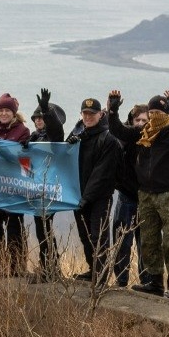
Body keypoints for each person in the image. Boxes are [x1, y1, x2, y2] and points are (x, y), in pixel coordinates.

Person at [106, 87, 169, 300]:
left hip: (168, 194)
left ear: (166, 114)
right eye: (152, 112)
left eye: (160, 112)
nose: (155, 116)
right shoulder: (144, 132)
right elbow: (119, 131)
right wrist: (113, 111)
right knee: (149, 239)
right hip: (145, 194)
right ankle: (154, 282)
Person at [68, 98, 122, 285]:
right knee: (85, 236)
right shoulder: (78, 136)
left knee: (98, 237)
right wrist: (70, 143)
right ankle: (93, 270)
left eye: (92, 114)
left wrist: (86, 198)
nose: (88, 117)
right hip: (79, 196)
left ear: (101, 114)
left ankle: (101, 276)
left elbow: (102, 174)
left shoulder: (109, 140)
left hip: (99, 197)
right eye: (85, 113)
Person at [0, 93, 32, 276]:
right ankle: (0, 262)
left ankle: (16, 266)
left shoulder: (23, 131)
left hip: (14, 186)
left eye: (7, 110)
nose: (4, 113)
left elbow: (26, 164)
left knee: (14, 226)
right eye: (1, 110)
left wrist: (24, 150)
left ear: (14, 113)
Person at [27, 90, 66, 282]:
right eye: (36, 117)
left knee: (45, 229)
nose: (38, 120)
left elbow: (56, 130)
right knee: (42, 229)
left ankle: (50, 269)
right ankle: (49, 268)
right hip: (36, 189)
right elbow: (25, 168)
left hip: (49, 189)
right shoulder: (34, 138)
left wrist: (46, 109)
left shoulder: (54, 138)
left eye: (42, 117)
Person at [110, 103, 150, 288]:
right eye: (137, 120)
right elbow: (115, 128)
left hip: (147, 197)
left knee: (146, 244)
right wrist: (112, 111)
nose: (141, 123)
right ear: (131, 120)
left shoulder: (153, 139)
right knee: (122, 241)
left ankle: (147, 282)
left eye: (144, 120)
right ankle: (121, 280)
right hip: (126, 195)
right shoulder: (125, 137)